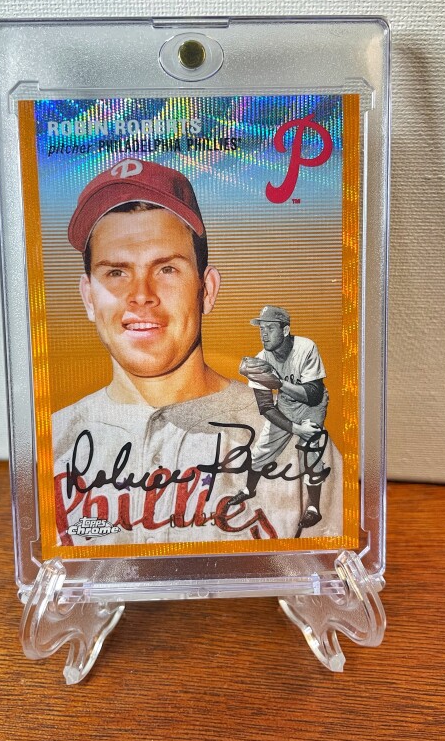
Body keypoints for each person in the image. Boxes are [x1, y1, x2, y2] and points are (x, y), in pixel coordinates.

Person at [52, 160, 342, 546]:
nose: (141, 295)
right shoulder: (51, 444)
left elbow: (326, 571)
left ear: (207, 290)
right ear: (89, 298)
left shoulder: (290, 440)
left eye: (166, 269)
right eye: (116, 273)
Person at [231, 306, 335, 535]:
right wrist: (294, 427)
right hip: (285, 405)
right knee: (260, 451)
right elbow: (266, 407)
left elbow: (314, 394)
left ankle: (313, 507)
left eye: (270, 328)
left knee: (310, 450)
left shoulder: (305, 348)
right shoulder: (260, 360)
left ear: (285, 330)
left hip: (312, 405)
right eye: (261, 329)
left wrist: (279, 384)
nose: (264, 334)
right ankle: (249, 490)